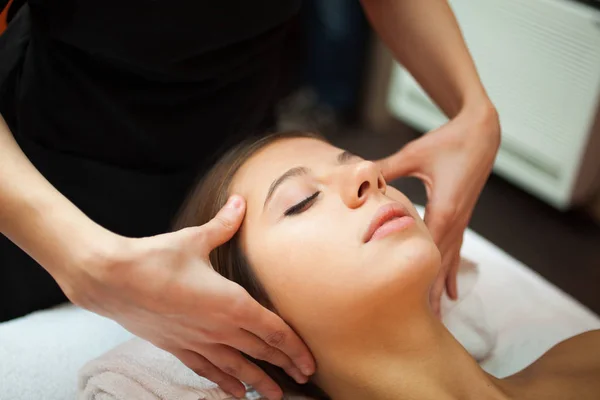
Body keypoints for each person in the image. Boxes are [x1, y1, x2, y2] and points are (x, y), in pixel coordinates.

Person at [0, 1, 499, 399]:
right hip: (45, 175)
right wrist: (81, 259)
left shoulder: (578, 365)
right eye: (302, 202)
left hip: (240, 131)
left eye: (350, 161)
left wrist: (475, 111)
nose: (372, 171)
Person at [173, 130, 600, 400]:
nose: (369, 174)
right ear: (245, 312)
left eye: (358, 164)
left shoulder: (589, 357)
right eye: (301, 201)